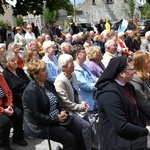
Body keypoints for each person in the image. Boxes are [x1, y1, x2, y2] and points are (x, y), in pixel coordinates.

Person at [22, 59, 86, 150]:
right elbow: (35, 116)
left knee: (78, 131)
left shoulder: (47, 83)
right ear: (35, 75)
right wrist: (56, 118)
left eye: (46, 69)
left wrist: (62, 111)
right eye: (43, 70)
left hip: (57, 117)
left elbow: (58, 101)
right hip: (42, 125)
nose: (47, 72)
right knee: (69, 138)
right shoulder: (31, 91)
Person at [95, 55, 150, 150]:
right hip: (118, 140)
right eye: (132, 69)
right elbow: (121, 126)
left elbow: (136, 112)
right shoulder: (109, 94)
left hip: (132, 133)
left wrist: (146, 126)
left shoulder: (129, 86)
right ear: (121, 73)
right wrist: (145, 131)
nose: (135, 72)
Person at [54, 54, 92, 150]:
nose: (74, 65)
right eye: (71, 64)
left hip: (76, 107)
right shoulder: (60, 81)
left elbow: (77, 92)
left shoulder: (73, 75)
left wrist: (82, 103)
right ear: (64, 67)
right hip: (68, 111)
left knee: (91, 120)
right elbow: (66, 103)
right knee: (86, 126)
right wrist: (80, 107)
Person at [0, 73, 27, 149]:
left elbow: (8, 91)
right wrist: (3, 111)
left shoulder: (0, 76)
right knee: (4, 121)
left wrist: (9, 105)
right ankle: (3, 147)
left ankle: (18, 138)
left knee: (18, 112)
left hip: (3, 104)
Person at [72, 44, 98, 112]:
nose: (86, 54)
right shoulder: (75, 70)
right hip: (86, 103)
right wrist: (100, 84)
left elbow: (93, 77)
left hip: (93, 100)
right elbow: (86, 86)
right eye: (84, 52)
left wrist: (100, 81)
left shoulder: (84, 66)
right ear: (77, 55)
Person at [130, 51, 150, 126]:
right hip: (145, 121)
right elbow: (144, 104)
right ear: (142, 65)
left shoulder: (145, 77)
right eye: (148, 62)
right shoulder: (135, 80)